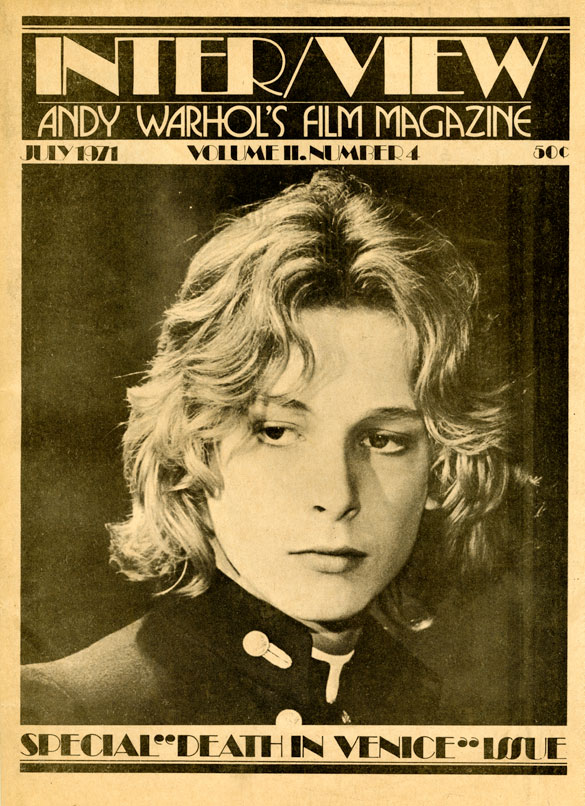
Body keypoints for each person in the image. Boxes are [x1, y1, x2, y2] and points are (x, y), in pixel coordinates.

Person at [21, 170, 521, 725]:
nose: (337, 496)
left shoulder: (440, 723)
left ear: (442, 470)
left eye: (383, 439)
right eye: (277, 431)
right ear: (194, 447)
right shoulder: (63, 714)